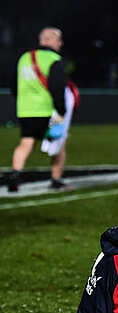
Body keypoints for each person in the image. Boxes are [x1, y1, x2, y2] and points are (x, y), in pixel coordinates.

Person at [4, 27, 69, 193]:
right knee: (58, 145)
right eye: (59, 40)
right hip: (49, 111)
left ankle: (15, 175)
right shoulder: (54, 59)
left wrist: (24, 100)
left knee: (26, 142)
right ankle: (56, 180)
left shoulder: (24, 58)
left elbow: (13, 84)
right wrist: (61, 110)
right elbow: (57, 88)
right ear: (51, 41)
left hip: (26, 110)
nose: (60, 44)